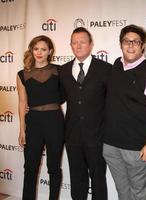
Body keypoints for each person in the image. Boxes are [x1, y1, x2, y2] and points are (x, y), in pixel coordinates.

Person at [102, 24, 146, 200]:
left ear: (143, 45)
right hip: (111, 145)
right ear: (120, 44)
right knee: (123, 192)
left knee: (140, 195)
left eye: (135, 42)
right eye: (126, 41)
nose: (130, 45)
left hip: (137, 148)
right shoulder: (116, 65)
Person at [60, 27, 112, 200]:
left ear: (90, 45)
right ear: (70, 46)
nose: (78, 45)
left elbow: (114, 101)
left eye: (82, 42)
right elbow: (56, 98)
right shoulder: (63, 70)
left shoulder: (106, 69)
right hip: (72, 136)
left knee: (98, 180)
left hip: (97, 136)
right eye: (74, 42)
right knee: (77, 179)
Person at [17, 35, 64, 200]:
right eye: (36, 48)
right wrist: (22, 129)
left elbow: (64, 95)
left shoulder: (59, 71)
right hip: (33, 123)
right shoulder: (22, 74)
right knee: (30, 167)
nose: (39, 52)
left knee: (53, 168)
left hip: (55, 122)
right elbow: (22, 102)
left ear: (50, 51)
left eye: (43, 49)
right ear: (31, 49)